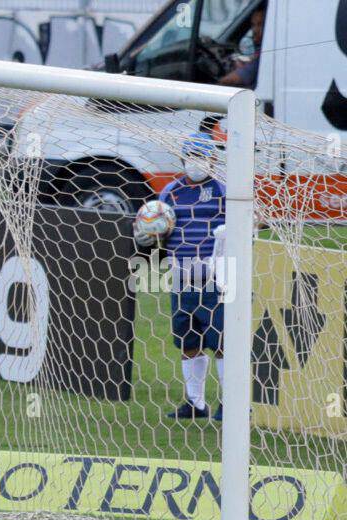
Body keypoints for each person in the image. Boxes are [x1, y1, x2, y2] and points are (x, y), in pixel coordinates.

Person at [157, 134, 227, 420]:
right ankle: (195, 404)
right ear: (182, 159)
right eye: (191, 157)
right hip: (182, 275)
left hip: (217, 277)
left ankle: (230, 404)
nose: (196, 164)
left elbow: (252, 220)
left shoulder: (224, 190)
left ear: (213, 160)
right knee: (188, 341)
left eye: (202, 158)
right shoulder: (170, 192)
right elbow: (161, 230)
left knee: (222, 342)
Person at [218, 5, 265, 89]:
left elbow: (228, 80)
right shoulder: (258, 50)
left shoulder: (264, 54)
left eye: (260, 24)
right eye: (253, 25)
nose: (255, 30)